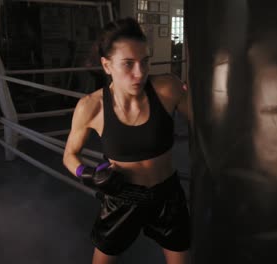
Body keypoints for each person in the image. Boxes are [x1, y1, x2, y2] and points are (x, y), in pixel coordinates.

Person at [63, 17, 190, 264]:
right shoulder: (91, 107)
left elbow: (207, 127)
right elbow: (69, 155)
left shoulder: (167, 89)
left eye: (145, 62)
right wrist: (87, 173)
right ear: (107, 65)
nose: (140, 73)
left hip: (168, 196)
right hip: (122, 199)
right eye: (128, 64)